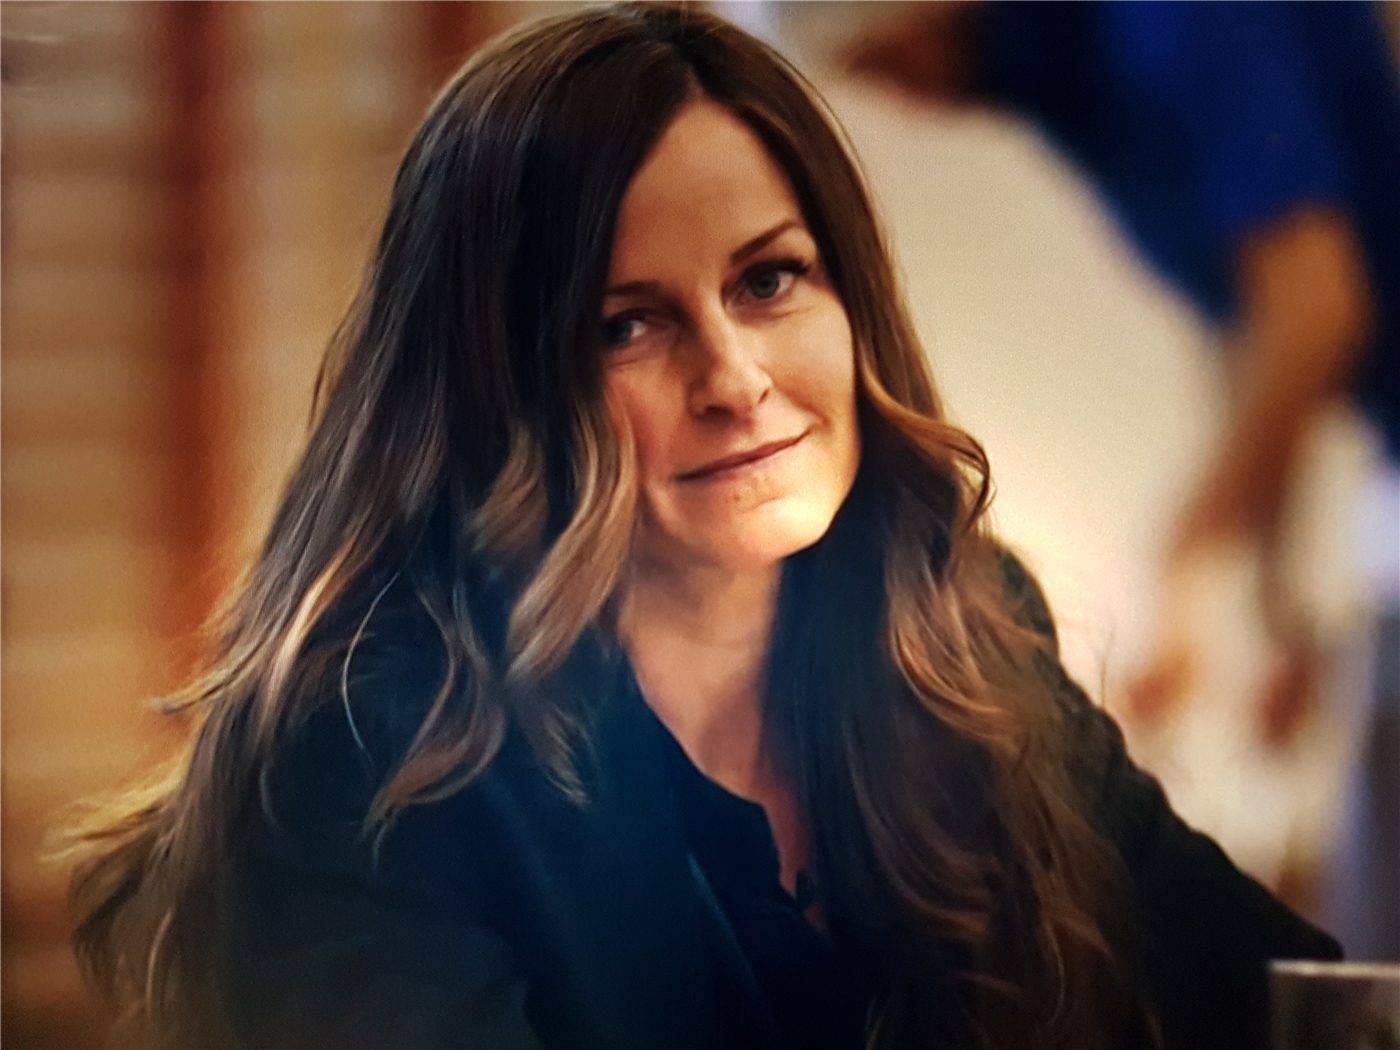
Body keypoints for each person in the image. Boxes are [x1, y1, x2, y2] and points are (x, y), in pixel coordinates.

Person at [64, 6, 1340, 1049]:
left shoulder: (962, 624)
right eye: (627, 324)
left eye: (768, 280)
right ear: (497, 388)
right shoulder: (360, 751)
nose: (733, 377)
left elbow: (1291, 1002)